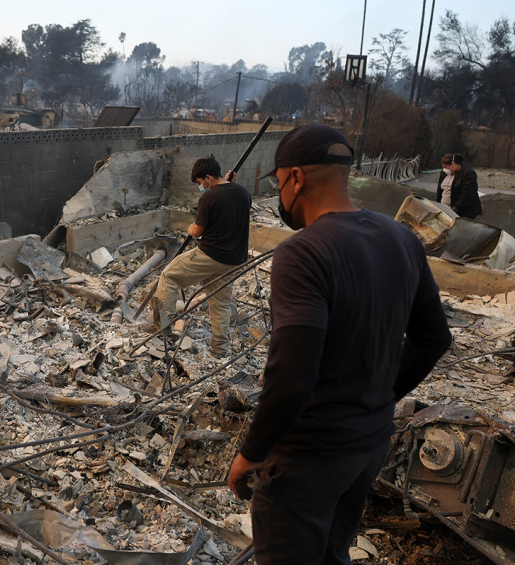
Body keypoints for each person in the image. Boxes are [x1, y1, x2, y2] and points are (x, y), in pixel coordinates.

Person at [227, 124, 451, 564]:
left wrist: (250, 453)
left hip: (310, 457)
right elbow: (434, 339)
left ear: (295, 178)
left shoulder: (303, 252)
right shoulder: (401, 238)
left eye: (279, 184)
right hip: (368, 448)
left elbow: (292, 377)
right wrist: (379, 398)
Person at [151, 155, 251, 357]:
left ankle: (165, 325)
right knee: (220, 304)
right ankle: (220, 350)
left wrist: (190, 228)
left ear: (207, 177)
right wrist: (229, 185)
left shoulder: (209, 197)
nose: (200, 187)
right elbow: (229, 203)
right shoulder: (242, 192)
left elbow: (197, 231)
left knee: (169, 276)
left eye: (199, 183)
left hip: (210, 255)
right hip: (233, 259)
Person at [448, 153, 482, 219]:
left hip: (468, 210)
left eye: (447, 167)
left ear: (453, 164)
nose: (447, 170)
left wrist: (456, 207)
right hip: (461, 208)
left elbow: (467, 193)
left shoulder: (468, 172)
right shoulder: (458, 171)